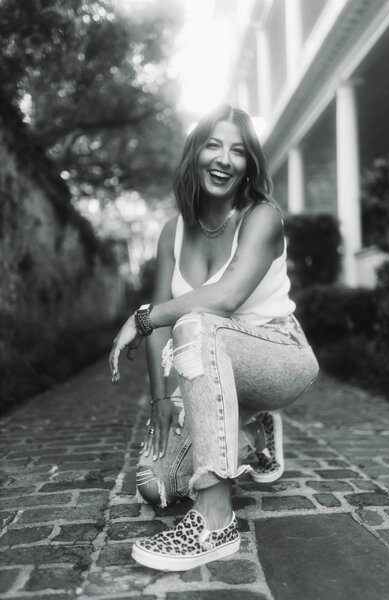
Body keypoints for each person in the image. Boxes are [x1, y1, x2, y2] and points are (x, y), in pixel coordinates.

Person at [109, 104, 319, 572]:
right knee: (155, 485)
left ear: (248, 166)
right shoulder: (172, 232)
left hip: (280, 356)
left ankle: (214, 521)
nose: (224, 159)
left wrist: (141, 317)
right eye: (213, 145)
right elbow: (164, 324)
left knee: (199, 320)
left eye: (238, 151)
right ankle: (249, 430)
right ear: (195, 153)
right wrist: (160, 399)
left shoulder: (261, 217)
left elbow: (222, 299)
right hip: (215, 364)